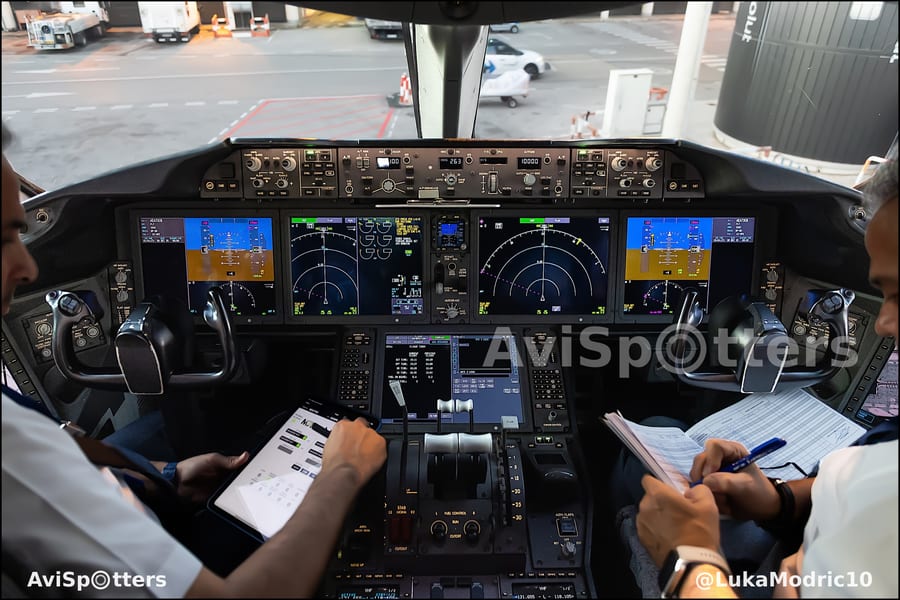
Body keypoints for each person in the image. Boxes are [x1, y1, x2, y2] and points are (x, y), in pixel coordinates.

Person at [1, 123, 388, 597]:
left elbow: (66, 470)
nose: (29, 267)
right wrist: (342, 471)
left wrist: (165, 480)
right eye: (4, 239)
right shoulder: (8, 448)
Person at [634, 158, 898, 598]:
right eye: (886, 294)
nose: (885, 323)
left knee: (636, 474)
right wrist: (780, 500)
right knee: (661, 433)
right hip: (802, 543)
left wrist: (689, 560)